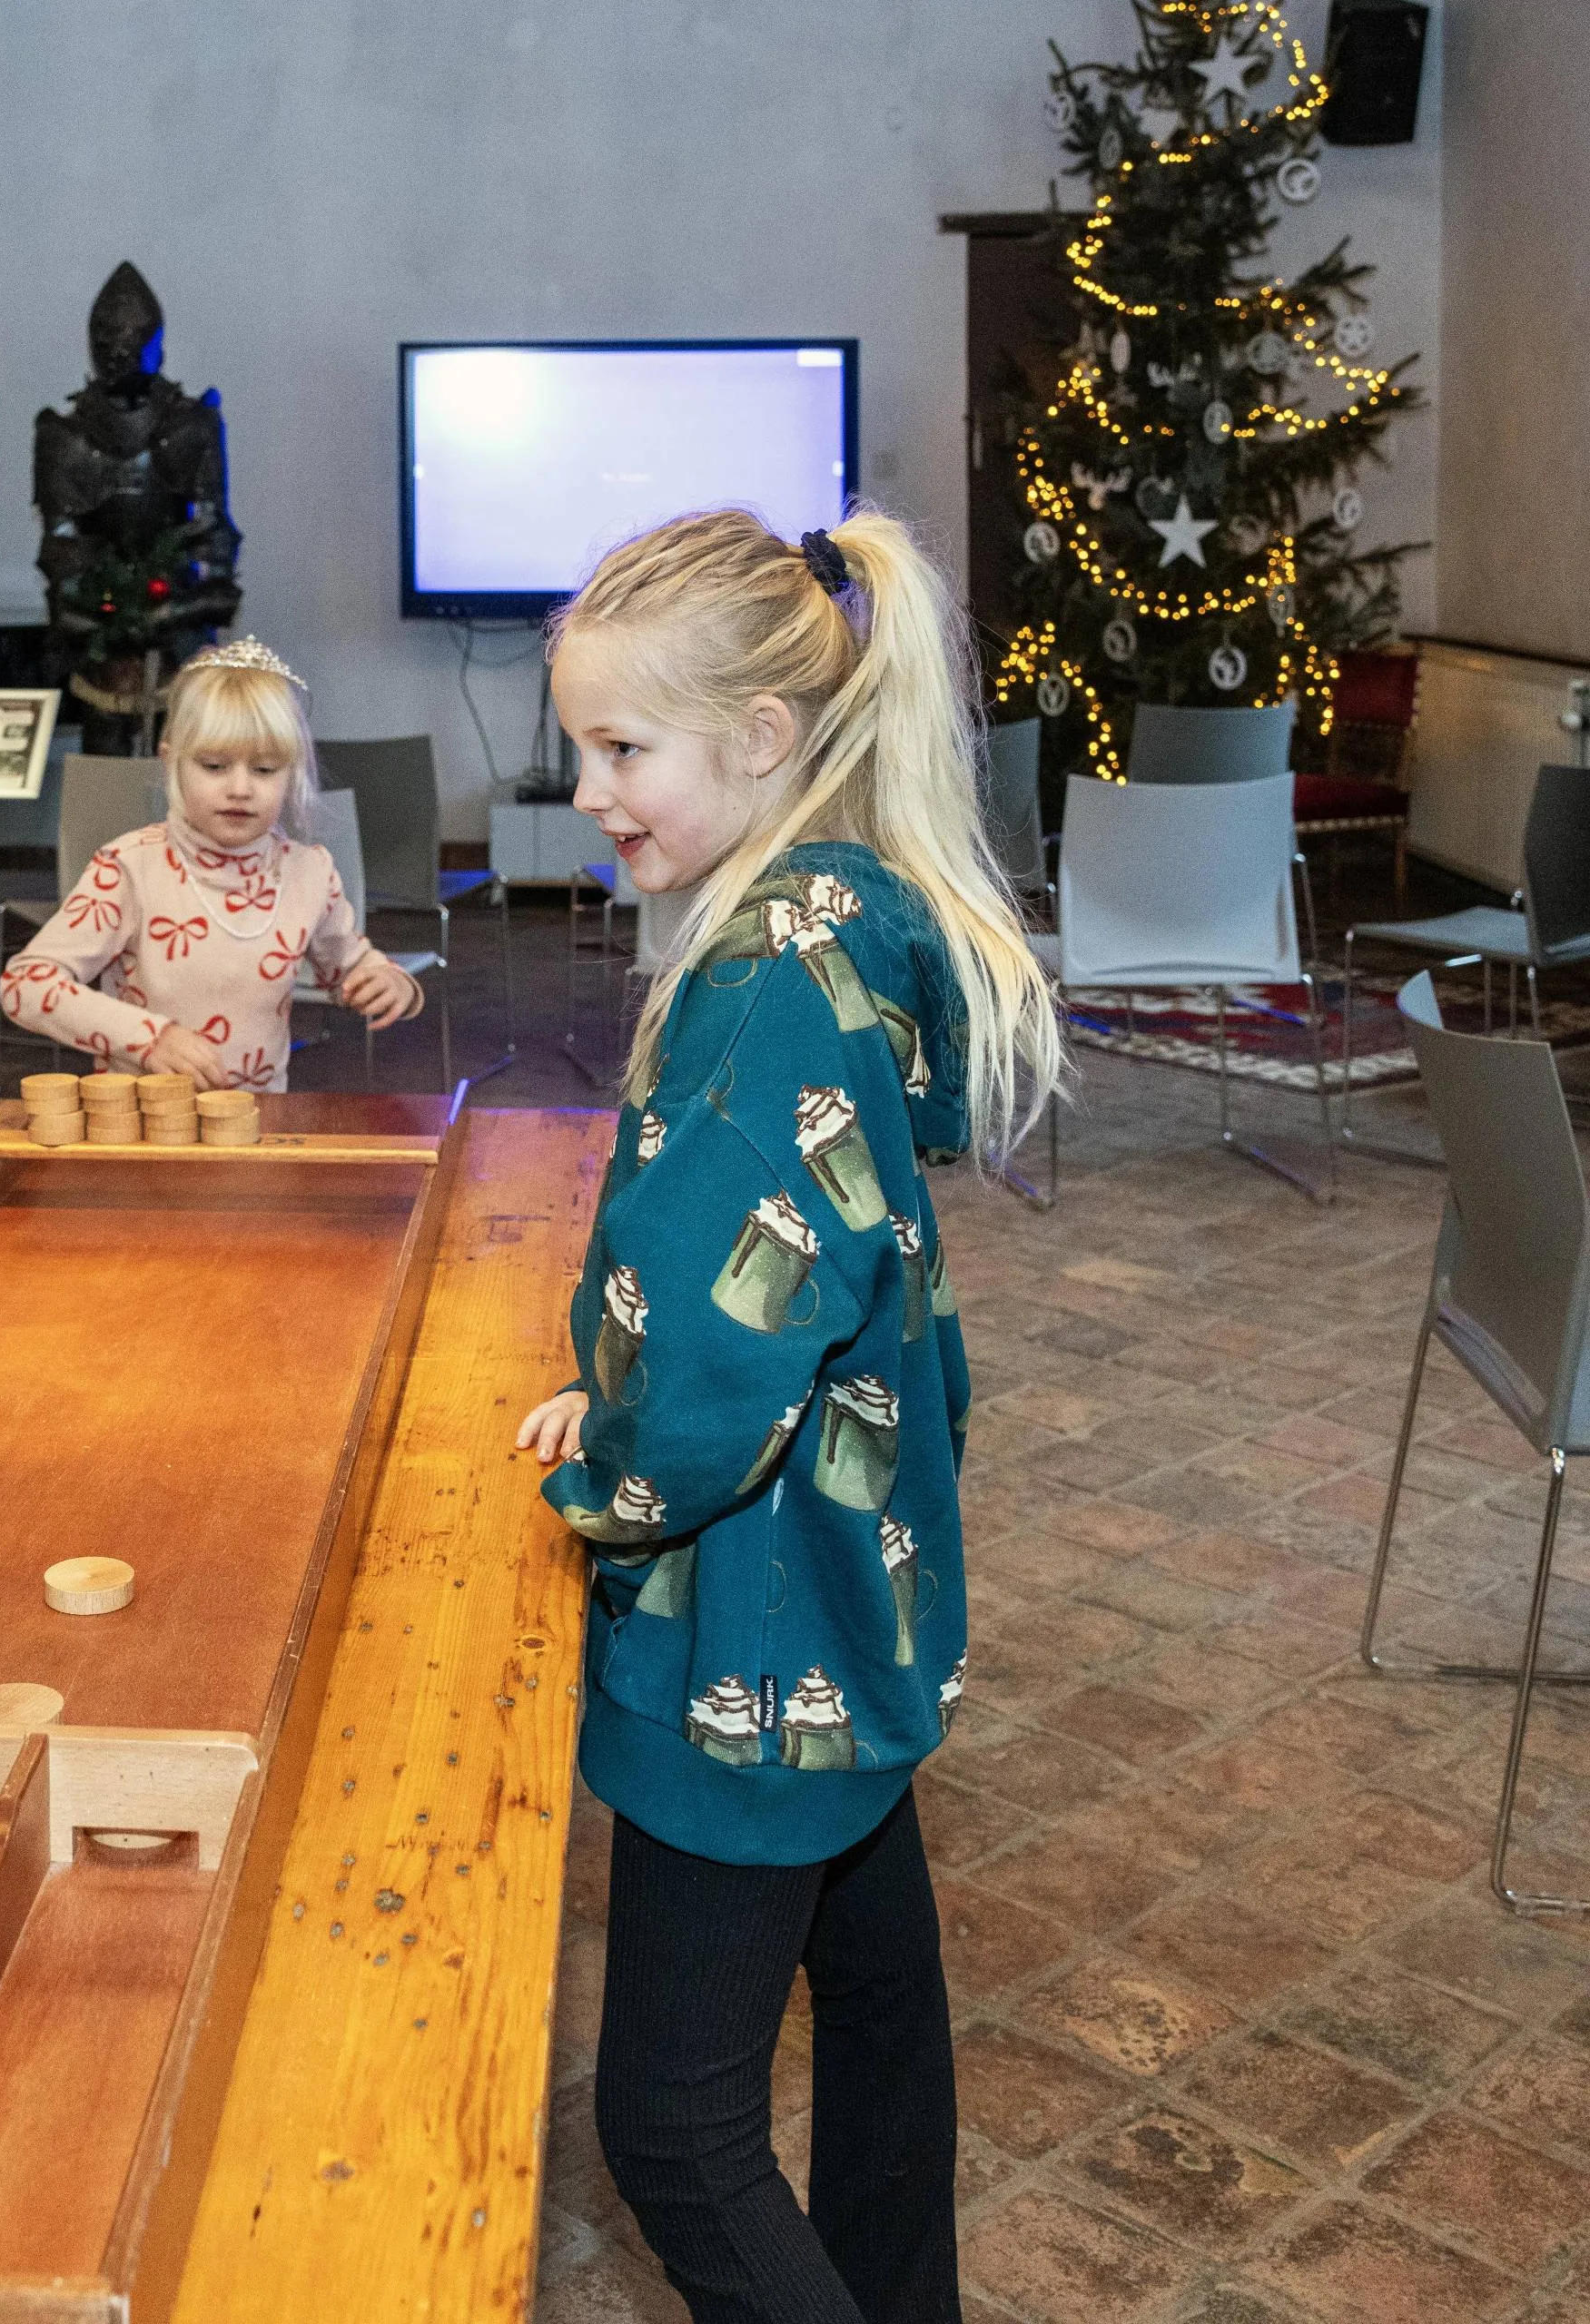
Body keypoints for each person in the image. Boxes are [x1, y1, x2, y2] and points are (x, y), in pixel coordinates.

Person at [513, 509, 1061, 2323]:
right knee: (882, 2007)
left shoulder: (755, 986)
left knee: (675, 2133)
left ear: (761, 735)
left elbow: (721, 1362)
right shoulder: (844, 911)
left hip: (745, 1621)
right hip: (856, 1568)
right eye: (581, 746)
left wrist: (604, 1471)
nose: (588, 790)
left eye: (622, 748)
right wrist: (615, 1366)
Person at [0, 639, 421, 1090]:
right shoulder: (129, 868)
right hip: (144, 1116)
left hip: (256, 1117)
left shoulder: (309, 873)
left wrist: (390, 983)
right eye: (215, 766)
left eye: (264, 770)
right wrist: (149, 1039)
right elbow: (26, 985)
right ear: (171, 762)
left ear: (291, 772)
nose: (240, 789)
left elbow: (350, 967)